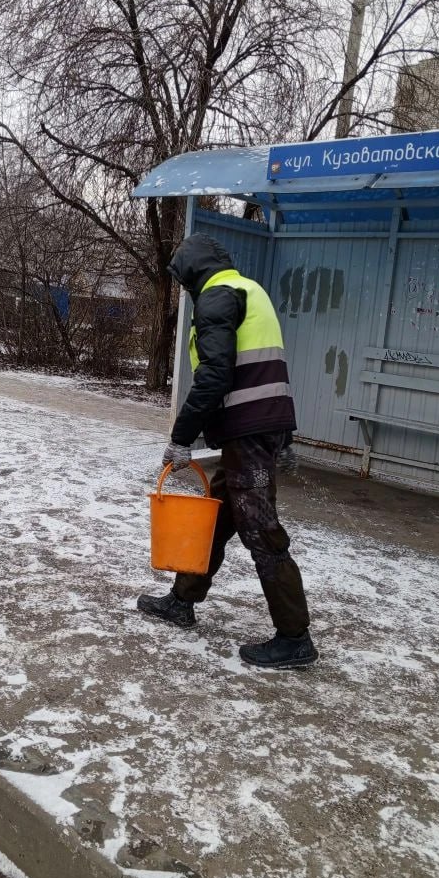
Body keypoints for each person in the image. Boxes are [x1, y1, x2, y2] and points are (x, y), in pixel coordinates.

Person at [137, 233, 317, 669]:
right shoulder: (251, 291)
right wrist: (284, 435)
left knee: (262, 532)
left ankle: (294, 638)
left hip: (247, 436)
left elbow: (215, 376)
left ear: (194, 271)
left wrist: (181, 436)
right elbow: (269, 369)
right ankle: (183, 600)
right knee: (216, 519)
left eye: (183, 280)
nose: (184, 290)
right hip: (256, 432)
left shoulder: (216, 297)